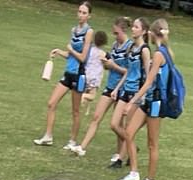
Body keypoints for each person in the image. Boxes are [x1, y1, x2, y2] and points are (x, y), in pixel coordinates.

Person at [117, 18, 173, 180]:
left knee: (152, 144)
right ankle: (134, 173)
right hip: (148, 100)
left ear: (150, 33)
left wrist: (132, 102)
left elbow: (148, 82)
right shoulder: (163, 52)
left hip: (155, 102)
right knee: (128, 132)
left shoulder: (159, 54)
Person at [34, 3, 95, 151]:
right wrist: (60, 52)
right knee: (51, 103)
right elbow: (70, 55)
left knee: (75, 110)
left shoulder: (89, 32)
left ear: (89, 16)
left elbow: (82, 57)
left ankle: (73, 141)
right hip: (68, 73)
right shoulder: (74, 30)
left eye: (84, 12)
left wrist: (70, 49)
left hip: (79, 75)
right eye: (79, 11)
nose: (80, 15)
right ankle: (48, 136)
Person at [73, 18, 132, 160]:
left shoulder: (130, 46)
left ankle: (123, 151)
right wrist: (105, 63)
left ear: (123, 30)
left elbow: (129, 72)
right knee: (96, 117)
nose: (114, 36)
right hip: (110, 86)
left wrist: (112, 66)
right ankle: (82, 148)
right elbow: (109, 66)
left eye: (116, 33)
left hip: (122, 89)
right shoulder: (114, 45)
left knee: (118, 124)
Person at [107, 17, 151, 172]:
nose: (133, 29)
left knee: (128, 129)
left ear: (143, 31)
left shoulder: (145, 50)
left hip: (135, 94)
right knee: (114, 124)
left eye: (136, 27)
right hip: (125, 90)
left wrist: (139, 97)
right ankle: (132, 146)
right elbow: (128, 72)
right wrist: (117, 88)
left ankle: (120, 159)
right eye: (133, 26)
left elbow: (148, 75)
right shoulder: (131, 47)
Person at [81, 30, 109, 112]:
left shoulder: (90, 50)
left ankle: (85, 109)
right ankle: (83, 96)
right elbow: (105, 65)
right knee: (92, 96)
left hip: (87, 74)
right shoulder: (103, 54)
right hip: (95, 77)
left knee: (86, 90)